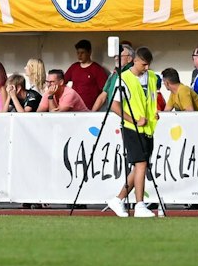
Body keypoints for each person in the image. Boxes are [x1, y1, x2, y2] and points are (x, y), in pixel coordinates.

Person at [105, 46, 162, 219]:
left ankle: (118, 199)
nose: (146, 68)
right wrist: (134, 120)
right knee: (141, 165)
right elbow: (114, 106)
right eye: (144, 64)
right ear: (134, 60)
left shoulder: (152, 77)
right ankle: (139, 205)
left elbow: (150, 99)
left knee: (138, 167)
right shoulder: (124, 79)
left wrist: (154, 112)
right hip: (132, 128)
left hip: (148, 128)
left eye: (148, 65)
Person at [64, 39, 108, 111]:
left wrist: (94, 111)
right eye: (78, 53)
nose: (79, 55)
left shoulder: (97, 69)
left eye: (82, 53)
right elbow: (62, 82)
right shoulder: (74, 67)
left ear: (89, 52)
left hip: (89, 109)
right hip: (73, 108)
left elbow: (105, 92)